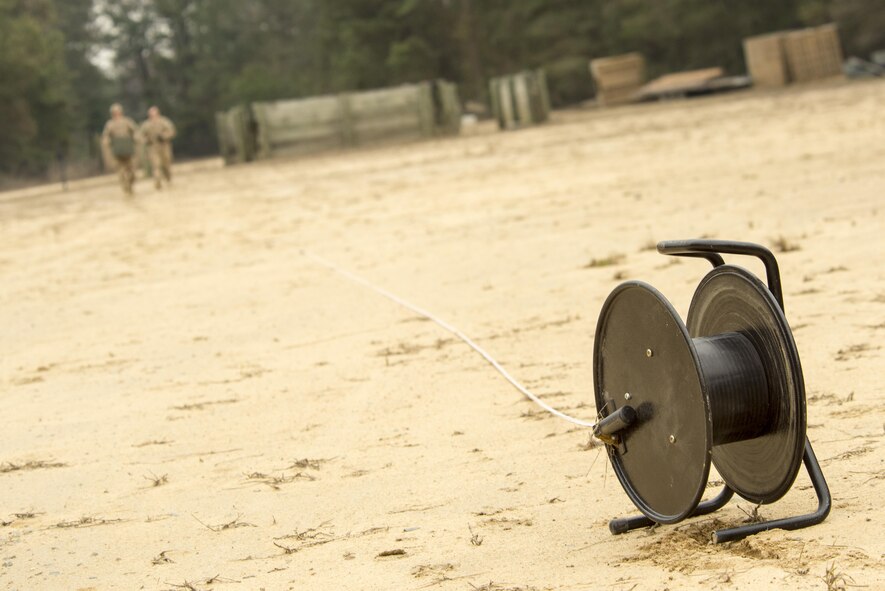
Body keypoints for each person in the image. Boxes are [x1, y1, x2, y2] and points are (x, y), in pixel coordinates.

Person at [101, 103, 139, 196]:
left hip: (128, 150)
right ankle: (126, 189)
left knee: (132, 172)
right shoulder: (110, 124)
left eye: (118, 112)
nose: (116, 114)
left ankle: (130, 184)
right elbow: (106, 136)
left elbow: (135, 131)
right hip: (117, 151)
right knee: (121, 172)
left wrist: (136, 138)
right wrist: (106, 142)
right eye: (114, 112)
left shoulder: (127, 121)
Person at [140, 106, 176, 189]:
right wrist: (147, 140)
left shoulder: (164, 121)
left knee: (166, 165)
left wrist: (164, 136)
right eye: (151, 114)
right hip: (153, 148)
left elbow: (172, 131)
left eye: (154, 113)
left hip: (164, 146)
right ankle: (157, 183)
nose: (153, 115)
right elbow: (140, 136)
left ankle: (168, 179)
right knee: (156, 166)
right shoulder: (146, 124)